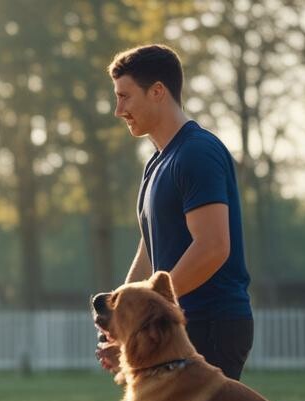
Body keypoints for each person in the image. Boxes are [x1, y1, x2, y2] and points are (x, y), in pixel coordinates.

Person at [96, 44, 254, 381]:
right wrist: (121, 316)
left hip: (209, 322)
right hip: (175, 321)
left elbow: (212, 246)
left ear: (157, 92)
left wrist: (147, 313)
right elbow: (149, 245)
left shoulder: (197, 152)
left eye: (125, 97)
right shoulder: (156, 161)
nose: (118, 109)